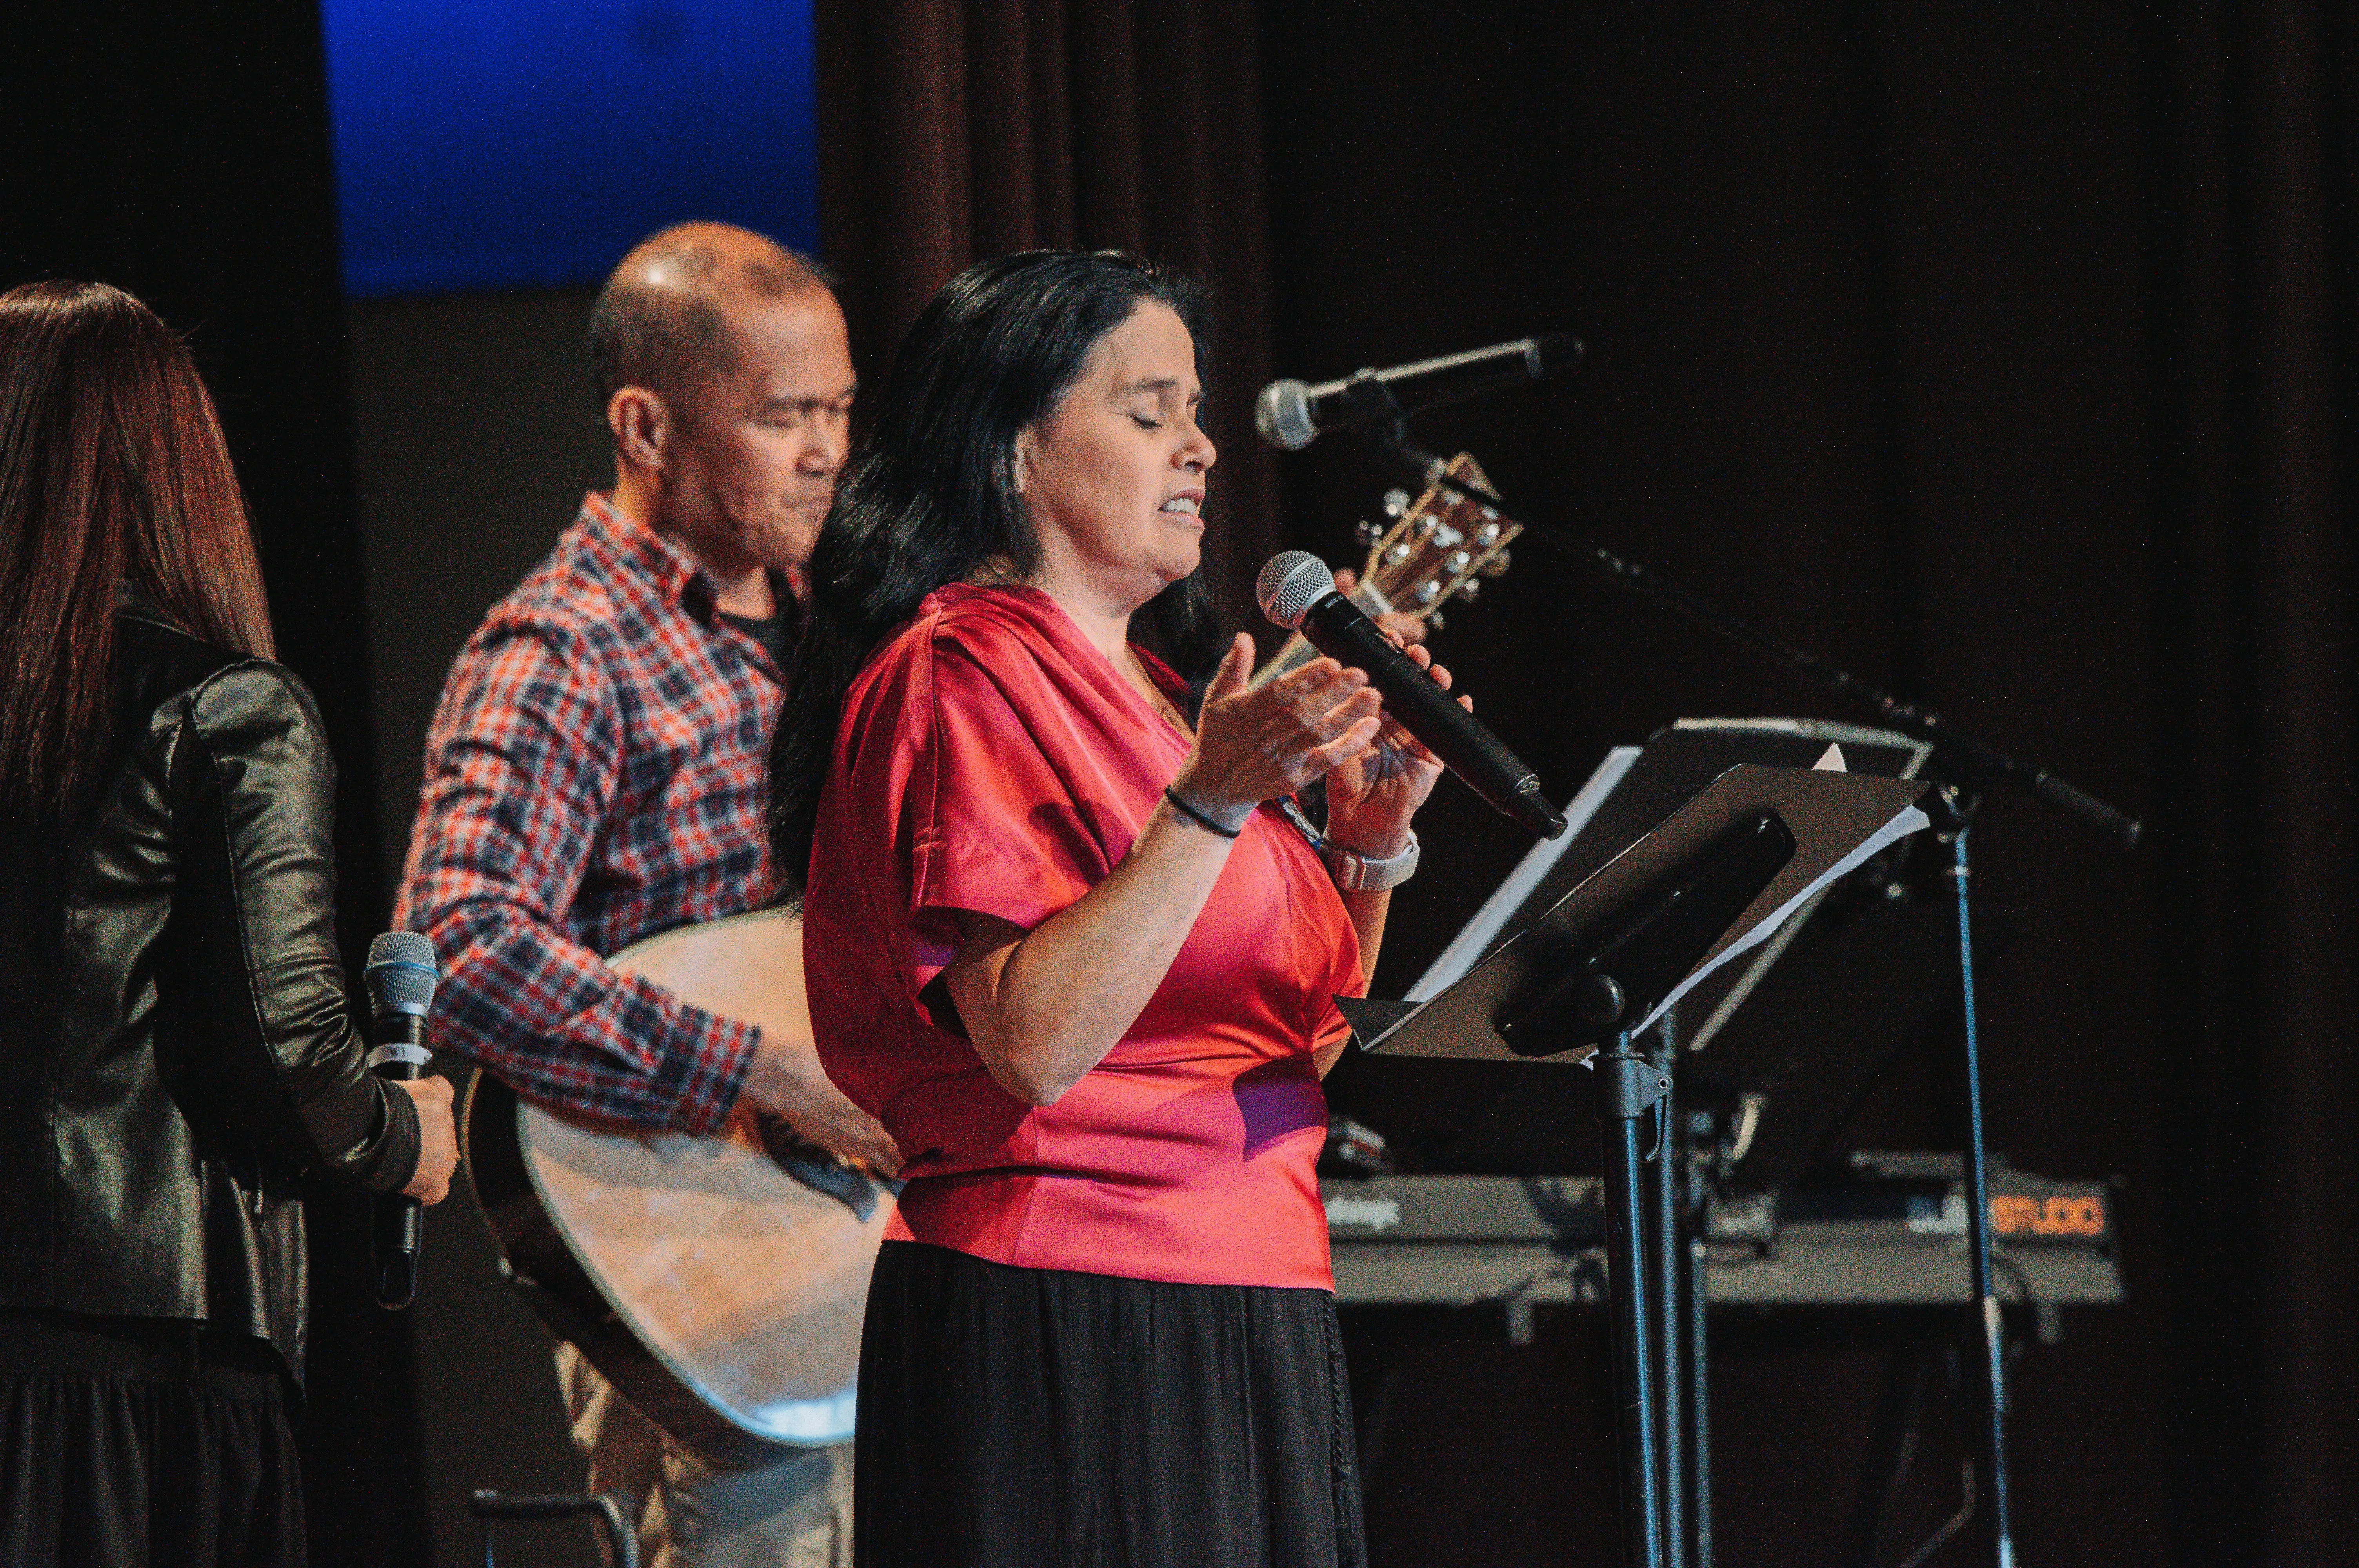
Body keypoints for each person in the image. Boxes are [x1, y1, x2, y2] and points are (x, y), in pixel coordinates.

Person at [768, 250, 1462, 1567]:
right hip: (1068, 1307)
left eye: (1194, 413)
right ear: (1016, 450)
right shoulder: (960, 672)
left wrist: (1370, 845)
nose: (1199, 447)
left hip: (1257, 1299)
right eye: (1149, 414)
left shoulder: (1171, 698)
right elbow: (1031, 1044)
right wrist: (1211, 806)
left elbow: (1287, 1050)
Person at [393, 222, 892, 1568]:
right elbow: (455, 940)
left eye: (839, 412)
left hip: (862, 1257)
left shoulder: (841, 624)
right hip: (709, 1268)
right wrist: (765, 1073)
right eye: (784, 416)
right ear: (647, 424)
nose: (825, 452)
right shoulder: (563, 648)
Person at [0, 279, 462, 1568]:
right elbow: (282, 1047)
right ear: (179, 468)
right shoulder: (223, 710)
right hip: (146, 1363)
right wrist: (401, 1138)